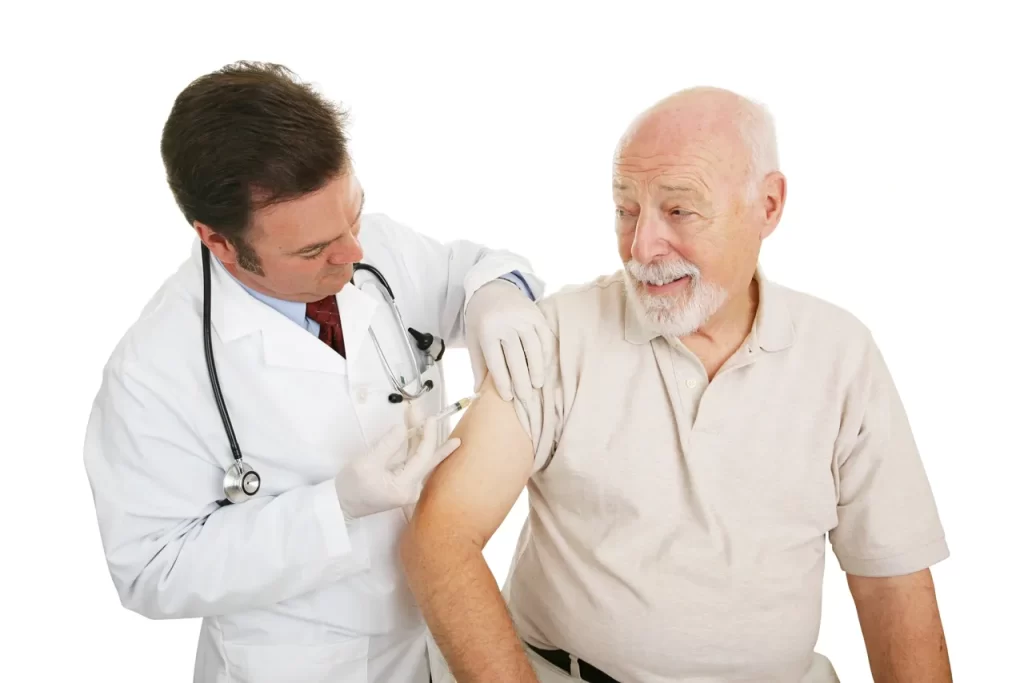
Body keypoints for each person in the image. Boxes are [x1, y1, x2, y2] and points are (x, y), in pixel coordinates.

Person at [401, 87, 952, 683]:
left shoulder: (840, 354)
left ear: (768, 205)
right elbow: (442, 534)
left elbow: (891, 585)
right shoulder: (559, 336)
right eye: (626, 210)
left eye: (679, 211)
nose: (642, 248)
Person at [82, 61, 553, 683]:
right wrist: (334, 508)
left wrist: (498, 293)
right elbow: (151, 572)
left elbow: (477, 268)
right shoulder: (152, 372)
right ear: (218, 241)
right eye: (313, 251)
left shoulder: (370, 247)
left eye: (354, 216)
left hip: (441, 631)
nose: (353, 253)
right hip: (302, 662)